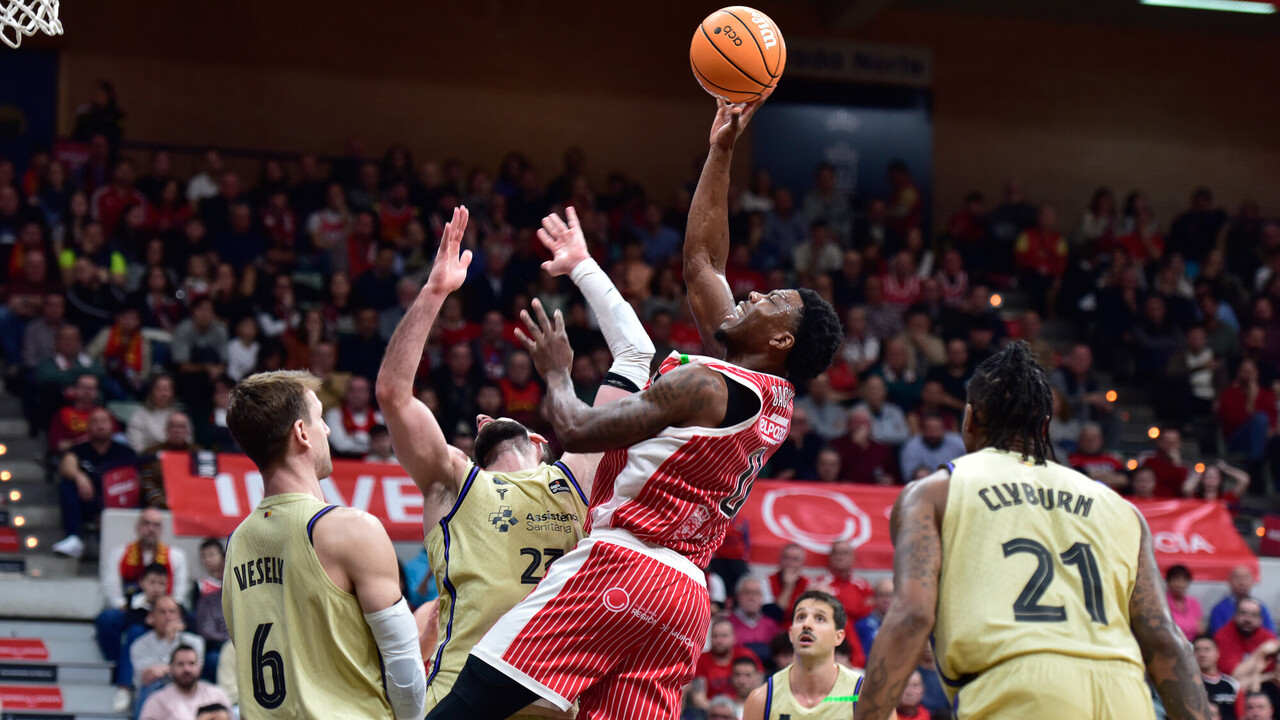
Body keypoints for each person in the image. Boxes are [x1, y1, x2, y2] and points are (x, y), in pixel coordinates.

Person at [424, 92, 842, 720]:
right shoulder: (769, 398)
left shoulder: (703, 386)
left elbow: (573, 427)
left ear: (781, 341)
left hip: (623, 567)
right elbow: (702, 260)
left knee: (466, 706)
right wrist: (720, 151)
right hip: (683, 601)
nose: (753, 293)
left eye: (772, 300)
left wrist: (560, 374)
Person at [378, 205, 653, 719]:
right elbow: (394, 395)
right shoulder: (453, 481)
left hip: (551, 703)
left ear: (541, 441)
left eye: (498, 415)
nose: (485, 416)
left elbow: (636, 354)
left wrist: (582, 268)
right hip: (463, 698)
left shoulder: (573, 476)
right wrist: (434, 291)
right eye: (478, 420)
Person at [854, 341, 1210, 720]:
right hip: (1125, 695)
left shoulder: (934, 493)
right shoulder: (1122, 509)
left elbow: (912, 617)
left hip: (1017, 690)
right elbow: (1166, 643)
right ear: (1045, 427)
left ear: (970, 419)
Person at [222, 370, 426, 719]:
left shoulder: (238, 542)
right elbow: (404, 670)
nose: (328, 429)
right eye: (319, 419)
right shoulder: (350, 529)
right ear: (301, 433)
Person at [743, 590, 864, 720]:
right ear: (791, 634)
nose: (806, 624)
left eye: (819, 618)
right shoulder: (763, 699)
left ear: (838, 637)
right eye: (801, 617)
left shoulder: (861, 696)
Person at [52, 407, 140, 559]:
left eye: (104, 421)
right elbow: (66, 465)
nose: (100, 425)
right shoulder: (80, 449)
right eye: (95, 422)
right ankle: (74, 538)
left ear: (112, 425)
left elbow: (134, 480)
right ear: (88, 427)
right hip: (87, 501)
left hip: (117, 503)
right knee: (67, 484)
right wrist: (79, 476)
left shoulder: (125, 452)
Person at [130, 596, 206, 714]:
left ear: (180, 616)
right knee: (152, 684)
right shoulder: (139, 645)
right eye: (162, 612)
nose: (168, 617)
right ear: (151, 617)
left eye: (172, 612)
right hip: (153, 692)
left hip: (185, 689)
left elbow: (194, 672)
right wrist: (167, 641)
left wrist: (164, 669)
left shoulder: (195, 642)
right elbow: (146, 676)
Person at [138, 645, 232, 720]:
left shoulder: (217, 695)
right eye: (180, 664)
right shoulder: (158, 701)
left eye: (191, 663)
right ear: (171, 668)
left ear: (199, 668)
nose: (186, 669)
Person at [696, 618, 765, 702]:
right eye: (715, 636)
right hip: (713, 710)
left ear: (734, 637)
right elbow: (698, 698)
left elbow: (759, 687)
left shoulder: (746, 655)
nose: (719, 641)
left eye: (724, 636)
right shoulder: (701, 660)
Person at [1214, 599, 1278, 677]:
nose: (1248, 619)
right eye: (1243, 613)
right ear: (1235, 616)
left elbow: (1273, 673)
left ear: (1260, 620)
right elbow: (1234, 675)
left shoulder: (1268, 637)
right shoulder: (1223, 636)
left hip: (1265, 685)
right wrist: (1261, 652)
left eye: (1254, 615)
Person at [1210, 567, 1277, 636]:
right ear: (1229, 581)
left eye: (1246, 578)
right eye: (1237, 578)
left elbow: (1271, 636)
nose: (1242, 582)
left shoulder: (1261, 607)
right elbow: (1217, 637)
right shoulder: (1219, 610)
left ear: (1252, 581)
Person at [1195, 636, 1242, 720]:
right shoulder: (1190, 685)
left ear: (1217, 653)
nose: (1202, 654)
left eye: (1207, 649)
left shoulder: (1233, 685)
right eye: (1197, 650)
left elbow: (1241, 716)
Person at [857, 579, 894, 655]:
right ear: (874, 598)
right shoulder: (862, 625)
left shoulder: (905, 625)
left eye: (890, 595)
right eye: (881, 595)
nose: (886, 600)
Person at [1168, 565, 1205, 641]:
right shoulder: (1162, 602)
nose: (1179, 584)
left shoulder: (1194, 602)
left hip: (1192, 644)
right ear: (1168, 582)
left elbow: (1201, 630)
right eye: (1176, 580)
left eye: (1183, 580)